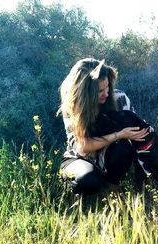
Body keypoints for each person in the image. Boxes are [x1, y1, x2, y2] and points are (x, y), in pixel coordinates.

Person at [57, 58, 149, 195]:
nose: (106, 93)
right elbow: (82, 148)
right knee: (89, 180)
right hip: (79, 158)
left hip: (108, 156)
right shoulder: (72, 107)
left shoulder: (119, 98)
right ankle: (74, 196)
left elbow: (137, 133)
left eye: (108, 87)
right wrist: (118, 135)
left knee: (123, 148)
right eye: (100, 91)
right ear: (85, 93)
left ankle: (112, 191)